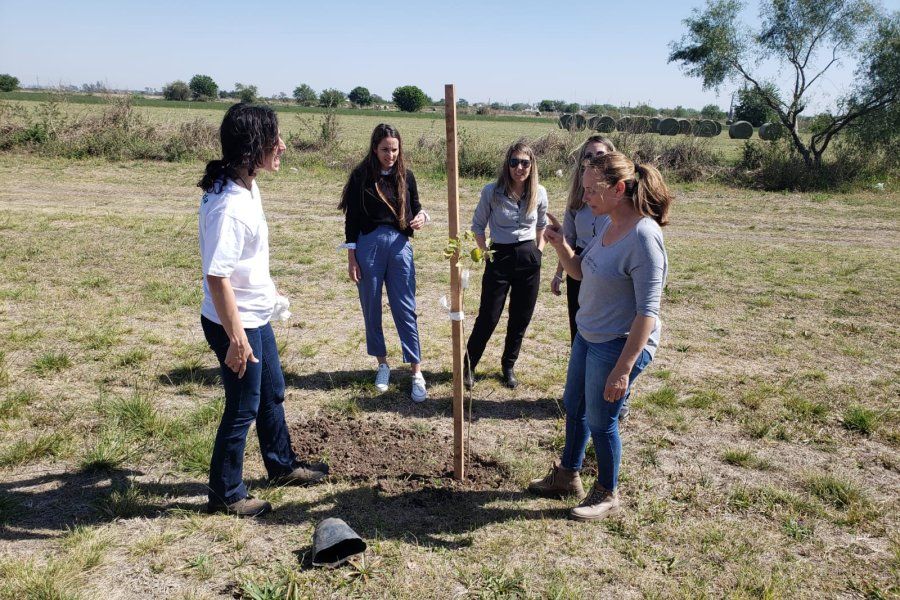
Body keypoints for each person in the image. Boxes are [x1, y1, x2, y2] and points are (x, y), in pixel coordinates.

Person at [198, 103, 328, 518]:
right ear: (253, 147)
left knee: (271, 391)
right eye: (275, 139)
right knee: (242, 406)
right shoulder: (229, 206)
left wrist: (265, 289)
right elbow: (217, 277)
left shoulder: (242, 185)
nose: (283, 146)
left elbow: (239, 266)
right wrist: (236, 340)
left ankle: (281, 465)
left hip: (255, 313)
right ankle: (226, 492)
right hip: (234, 322)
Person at [528, 151, 672, 522]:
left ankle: (607, 491)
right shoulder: (607, 224)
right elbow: (579, 272)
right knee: (573, 406)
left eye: (592, 190)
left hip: (617, 343)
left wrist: (623, 369)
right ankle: (567, 475)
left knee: (601, 419)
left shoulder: (643, 237)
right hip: (588, 334)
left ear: (619, 188)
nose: (585, 196)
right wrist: (560, 244)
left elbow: (647, 313)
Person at [339, 124, 430, 402]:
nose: (390, 155)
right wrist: (352, 256)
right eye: (384, 149)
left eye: (394, 149)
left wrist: (423, 216)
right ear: (374, 149)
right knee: (371, 305)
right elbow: (351, 219)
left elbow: (417, 206)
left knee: (405, 307)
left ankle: (416, 370)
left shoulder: (407, 176)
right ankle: (382, 364)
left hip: (400, 246)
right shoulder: (361, 177)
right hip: (368, 246)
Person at [464, 141, 548, 390]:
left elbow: (542, 224)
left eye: (524, 162)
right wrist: (485, 253)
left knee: (520, 317)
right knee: (488, 316)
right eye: (514, 162)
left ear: (532, 166)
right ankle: (469, 365)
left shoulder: (539, 192)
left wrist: (539, 251)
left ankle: (508, 365)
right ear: (507, 164)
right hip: (499, 256)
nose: (519, 167)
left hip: (528, 258)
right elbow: (478, 226)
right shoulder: (492, 191)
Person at [550, 135, 616, 342]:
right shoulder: (578, 199)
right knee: (577, 325)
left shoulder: (621, 197)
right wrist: (559, 273)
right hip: (578, 265)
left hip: (608, 265)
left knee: (603, 329)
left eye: (600, 154)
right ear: (582, 162)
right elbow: (567, 240)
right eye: (589, 156)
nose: (595, 159)